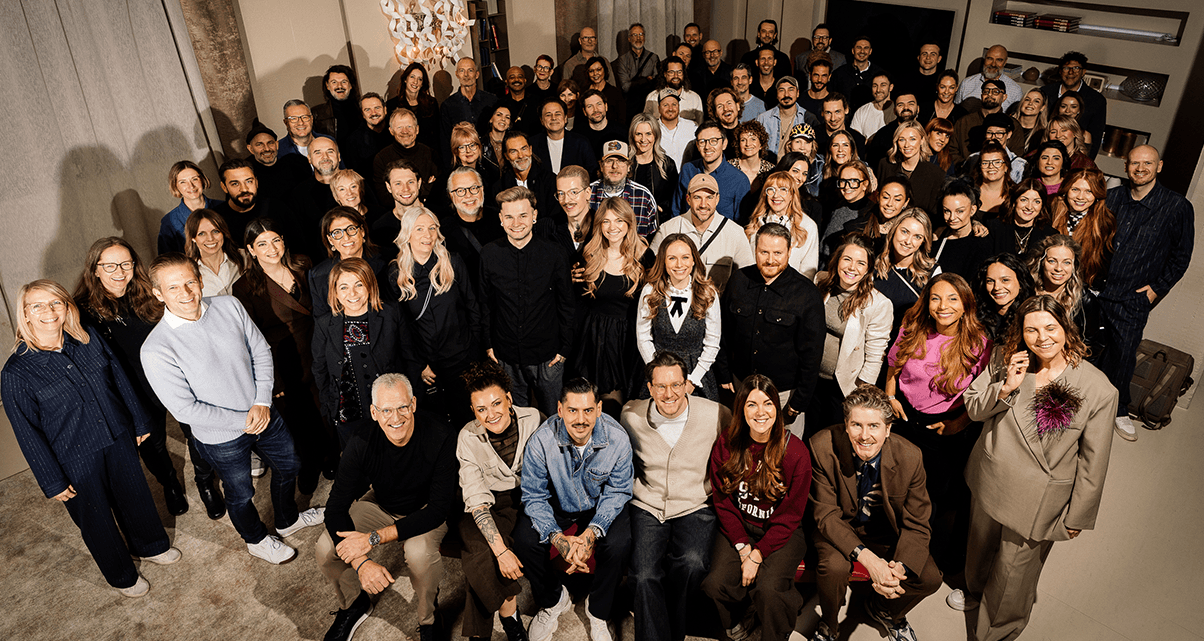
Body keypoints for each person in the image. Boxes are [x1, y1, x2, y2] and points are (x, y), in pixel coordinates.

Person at [141, 253, 324, 564]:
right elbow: (185, 410)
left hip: (263, 412)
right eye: (173, 288)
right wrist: (245, 419)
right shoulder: (156, 348)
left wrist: (262, 402)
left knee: (290, 466)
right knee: (240, 493)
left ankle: (288, 519)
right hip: (221, 436)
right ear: (158, 294)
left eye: (190, 282)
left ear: (200, 280)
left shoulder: (228, 306)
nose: (186, 293)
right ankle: (255, 539)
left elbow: (261, 351)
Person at [4, 280, 182, 597]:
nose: (49, 311)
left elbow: (120, 379)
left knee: (135, 494)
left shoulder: (86, 338)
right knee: (96, 518)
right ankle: (122, 575)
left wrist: (139, 420)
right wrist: (52, 480)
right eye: (37, 306)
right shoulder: (17, 372)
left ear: (66, 306)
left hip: (117, 435)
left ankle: (151, 545)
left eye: (55, 303)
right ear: (25, 314)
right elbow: (26, 431)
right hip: (74, 457)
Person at [954, 295, 1117, 639]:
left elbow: (1094, 460)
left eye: (1050, 328)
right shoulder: (1005, 358)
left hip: (1037, 497)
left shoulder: (1098, 389)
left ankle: (997, 632)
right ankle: (975, 592)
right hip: (991, 477)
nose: (1042, 338)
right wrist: (1006, 386)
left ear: (1066, 328)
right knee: (979, 550)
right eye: (1031, 330)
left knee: (1014, 575)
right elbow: (974, 410)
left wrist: (1078, 514)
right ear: (1021, 331)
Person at [316, 373, 458, 641]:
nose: (396, 418)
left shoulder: (441, 434)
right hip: (382, 504)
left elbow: (438, 510)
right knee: (326, 548)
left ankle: (429, 620)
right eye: (386, 410)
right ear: (374, 412)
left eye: (402, 407)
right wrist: (361, 563)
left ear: (413, 404)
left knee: (418, 555)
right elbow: (334, 509)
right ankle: (354, 604)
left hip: (425, 510)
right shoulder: (360, 441)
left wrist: (372, 539)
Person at [808, 385, 942, 641]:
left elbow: (917, 523)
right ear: (846, 425)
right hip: (840, 527)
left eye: (874, 426)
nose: (864, 436)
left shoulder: (911, 457)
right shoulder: (821, 446)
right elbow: (826, 515)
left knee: (929, 578)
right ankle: (829, 625)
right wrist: (870, 562)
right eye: (856, 425)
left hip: (884, 531)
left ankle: (885, 610)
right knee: (834, 568)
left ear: (888, 429)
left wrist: (897, 570)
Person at [74, 238, 194, 517]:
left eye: (126, 264)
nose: (119, 271)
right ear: (95, 269)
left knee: (194, 429)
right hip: (134, 389)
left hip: (170, 376)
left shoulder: (148, 292)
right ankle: (170, 483)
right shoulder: (83, 311)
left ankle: (204, 479)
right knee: (153, 443)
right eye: (110, 265)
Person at [512, 378, 634, 641]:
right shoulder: (541, 440)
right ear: (560, 410)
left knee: (619, 543)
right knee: (524, 540)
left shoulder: (618, 439)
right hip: (558, 503)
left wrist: (591, 533)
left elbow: (618, 491)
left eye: (588, 410)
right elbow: (534, 495)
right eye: (573, 410)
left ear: (599, 409)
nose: (581, 419)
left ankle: (598, 611)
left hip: (599, 505)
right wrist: (558, 538)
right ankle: (554, 600)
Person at [884, 272, 990, 573]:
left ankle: (910, 560)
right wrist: (890, 397)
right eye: (936, 298)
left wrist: (959, 423)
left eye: (953, 299)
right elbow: (893, 366)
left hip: (941, 428)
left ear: (966, 304)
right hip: (904, 418)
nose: (943, 306)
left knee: (928, 497)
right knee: (895, 486)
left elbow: (983, 394)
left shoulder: (980, 344)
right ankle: (887, 544)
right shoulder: (913, 326)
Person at [620, 351, 730, 641]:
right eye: (660, 386)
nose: (669, 394)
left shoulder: (716, 414)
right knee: (642, 575)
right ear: (649, 387)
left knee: (693, 564)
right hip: (648, 504)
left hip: (695, 503)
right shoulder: (631, 415)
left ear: (686, 384)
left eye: (676, 385)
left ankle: (666, 625)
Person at [701, 374, 811, 641]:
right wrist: (742, 547)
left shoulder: (796, 452)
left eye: (768, 404)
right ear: (741, 409)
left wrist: (757, 556)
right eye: (752, 404)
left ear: (777, 408)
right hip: (740, 525)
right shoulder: (727, 443)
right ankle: (741, 615)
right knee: (715, 584)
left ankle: (776, 630)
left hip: (782, 531)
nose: (761, 412)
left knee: (770, 590)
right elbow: (723, 501)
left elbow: (791, 516)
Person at [1101, 145, 1194, 441]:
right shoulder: (1112, 197)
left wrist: (1156, 290)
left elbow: (1181, 257)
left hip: (1133, 298)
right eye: (1135, 163)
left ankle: (1119, 409)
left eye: (1148, 163)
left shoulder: (1176, 206)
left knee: (1124, 355)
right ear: (1126, 166)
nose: (1140, 168)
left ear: (1159, 166)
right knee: (1091, 350)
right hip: (1099, 290)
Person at [233, 218, 328, 494]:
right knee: (299, 417)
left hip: (318, 348)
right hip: (284, 361)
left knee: (326, 407)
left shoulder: (303, 265)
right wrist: (270, 381)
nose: (271, 248)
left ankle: (331, 455)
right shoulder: (245, 287)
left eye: (276, 240)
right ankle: (309, 465)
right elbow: (251, 339)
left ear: (284, 241)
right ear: (251, 250)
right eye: (262, 244)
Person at [455, 361, 542, 641]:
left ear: (509, 399)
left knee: (480, 558)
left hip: (526, 499)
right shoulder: (467, 437)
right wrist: (502, 551)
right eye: (481, 409)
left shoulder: (534, 419)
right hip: (484, 502)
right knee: (483, 552)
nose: (491, 415)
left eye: (496, 404)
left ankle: (485, 632)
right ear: (473, 411)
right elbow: (476, 500)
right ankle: (510, 619)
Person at [720, 223, 824, 436]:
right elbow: (723, 332)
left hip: (784, 394)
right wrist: (723, 372)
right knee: (742, 443)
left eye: (777, 253)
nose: (770, 259)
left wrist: (800, 400)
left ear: (789, 251)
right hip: (741, 387)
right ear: (755, 250)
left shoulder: (807, 294)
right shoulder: (738, 280)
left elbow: (812, 355)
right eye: (764, 252)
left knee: (784, 449)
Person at [480, 186, 576, 417]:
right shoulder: (489, 254)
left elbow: (567, 304)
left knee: (554, 416)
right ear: (501, 219)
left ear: (534, 216)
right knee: (518, 418)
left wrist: (564, 349)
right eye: (509, 217)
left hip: (548, 356)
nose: (516, 223)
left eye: (523, 215)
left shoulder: (555, 253)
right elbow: (484, 303)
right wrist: (488, 345)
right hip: (506, 355)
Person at [388, 206, 484, 427]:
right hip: (427, 365)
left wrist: (473, 351)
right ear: (407, 234)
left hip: (461, 357)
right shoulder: (396, 274)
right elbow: (401, 327)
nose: (428, 235)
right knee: (437, 422)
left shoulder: (453, 262)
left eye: (432, 228)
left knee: (468, 418)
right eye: (420, 229)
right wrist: (419, 364)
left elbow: (473, 307)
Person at [312, 257, 414, 447]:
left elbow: (410, 358)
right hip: (348, 414)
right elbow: (320, 369)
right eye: (343, 287)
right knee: (360, 460)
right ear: (335, 291)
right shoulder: (324, 324)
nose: (352, 293)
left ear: (370, 285)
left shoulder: (391, 313)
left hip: (391, 411)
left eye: (359, 284)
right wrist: (329, 407)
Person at [572, 197, 652, 413]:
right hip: (595, 339)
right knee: (597, 403)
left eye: (618, 220)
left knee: (627, 405)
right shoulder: (588, 255)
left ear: (629, 223)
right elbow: (576, 300)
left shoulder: (644, 257)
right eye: (606, 221)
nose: (612, 227)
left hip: (630, 340)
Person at [809, 236, 893, 432]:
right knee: (808, 432)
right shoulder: (820, 280)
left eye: (861, 263)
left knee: (834, 435)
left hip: (843, 386)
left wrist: (860, 394)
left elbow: (875, 354)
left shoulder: (878, 304)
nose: (852, 267)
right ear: (837, 259)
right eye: (847, 259)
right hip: (811, 377)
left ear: (868, 269)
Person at [635, 235, 721, 400]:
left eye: (685, 257)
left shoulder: (708, 293)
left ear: (694, 260)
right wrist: (658, 373)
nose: (679, 264)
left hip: (695, 374)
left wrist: (692, 380)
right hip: (657, 369)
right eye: (672, 258)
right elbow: (643, 338)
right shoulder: (650, 291)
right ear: (663, 261)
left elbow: (712, 343)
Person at [310, 207, 390, 319]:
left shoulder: (387, 260)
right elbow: (322, 319)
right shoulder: (318, 275)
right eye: (337, 233)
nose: (346, 237)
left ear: (362, 231)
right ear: (330, 240)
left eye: (351, 229)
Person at [874, 208, 941, 341]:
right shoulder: (875, 266)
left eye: (917, 237)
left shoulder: (932, 272)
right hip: (873, 341)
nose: (908, 241)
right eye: (904, 232)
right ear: (894, 230)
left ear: (923, 241)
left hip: (907, 345)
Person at [1029, 234, 1102, 351]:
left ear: (1074, 266)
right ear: (1041, 262)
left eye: (1066, 262)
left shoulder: (1084, 299)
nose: (1059, 268)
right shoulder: (1027, 293)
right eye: (1052, 261)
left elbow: (1092, 343)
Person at [744, 171, 820, 278]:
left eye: (783, 190)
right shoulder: (756, 222)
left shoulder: (807, 226)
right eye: (771, 190)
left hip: (792, 285)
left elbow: (808, 270)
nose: (776, 195)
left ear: (792, 194)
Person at [1050, 167, 1114, 288]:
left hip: (1083, 286)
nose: (1080, 197)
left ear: (1097, 194)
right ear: (1066, 189)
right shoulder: (1051, 213)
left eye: (1089, 191)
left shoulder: (1105, 223)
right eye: (1075, 189)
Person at [672, 120, 750, 221]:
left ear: (724, 144)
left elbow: (742, 223)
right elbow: (676, 211)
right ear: (697, 145)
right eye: (702, 142)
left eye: (713, 141)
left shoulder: (739, 180)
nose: (707, 147)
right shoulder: (688, 170)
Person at [1040, 52, 1106, 158]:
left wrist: (1087, 163)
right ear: (1060, 71)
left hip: (1075, 156)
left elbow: (1096, 137)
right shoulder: (1045, 92)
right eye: (1066, 68)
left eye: (1076, 68)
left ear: (1083, 72)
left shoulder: (1096, 100)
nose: (1071, 72)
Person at [589, 141, 658, 238]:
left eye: (621, 161)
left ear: (629, 167)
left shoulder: (644, 196)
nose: (615, 166)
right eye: (609, 161)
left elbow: (653, 238)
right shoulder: (587, 193)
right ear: (601, 166)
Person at [373, 108, 440, 206]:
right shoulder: (381, 158)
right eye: (399, 127)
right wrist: (424, 189)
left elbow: (438, 191)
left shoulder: (431, 154)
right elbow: (384, 197)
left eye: (409, 126)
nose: (405, 131)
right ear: (391, 131)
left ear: (417, 129)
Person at [877, 120, 945, 215]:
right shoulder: (885, 165)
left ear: (922, 140)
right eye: (902, 139)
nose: (907, 145)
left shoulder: (936, 174)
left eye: (912, 139)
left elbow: (934, 212)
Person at [933, 180, 993, 281]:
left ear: (972, 210)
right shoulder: (938, 237)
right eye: (947, 211)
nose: (952, 217)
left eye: (959, 211)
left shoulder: (981, 244)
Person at [839, 176, 911, 257]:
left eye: (897, 199)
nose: (890, 204)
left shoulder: (909, 232)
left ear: (906, 202)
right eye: (885, 197)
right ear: (878, 197)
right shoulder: (857, 227)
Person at [159, 161, 219, 254]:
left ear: (202, 180)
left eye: (194, 179)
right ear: (175, 186)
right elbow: (167, 259)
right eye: (183, 182)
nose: (191, 186)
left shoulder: (223, 207)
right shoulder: (169, 222)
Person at [629, 113, 679, 223]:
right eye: (638, 134)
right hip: (630, 223)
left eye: (648, 134)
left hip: (660, 222)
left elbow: (675, 198)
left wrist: (660, 208)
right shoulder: (625, 164)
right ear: (632, 136)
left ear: (655, 135)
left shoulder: (667, 164)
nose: (643, 139)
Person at [987, 178, 1056, 257]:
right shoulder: (993, 228)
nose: (1029, 207)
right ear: (1014, 202)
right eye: (1024, 200)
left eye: (1037, 201)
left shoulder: (1050, 235)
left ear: (1042, 206)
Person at [975, 253, 1036, 341]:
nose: (996, 287)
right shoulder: (976, 317)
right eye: (990, 281)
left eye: (1005, 280)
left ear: (1020, 283)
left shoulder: (1031, 316)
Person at [184, 208, 244, 297]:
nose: (210, 238)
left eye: (215, 231)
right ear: (193, 238)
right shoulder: (188, 271)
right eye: (202, 234)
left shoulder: (245, 257)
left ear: (223, 233)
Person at [948, 78, 1006, 169]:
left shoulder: (1011, 124)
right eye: (986, 91)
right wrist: (967, 165)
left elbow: (1015, 154)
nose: (989, 94)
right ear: (981, 95)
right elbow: (951, 149)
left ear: (1004, 97)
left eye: (995, 92)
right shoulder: (964, 121)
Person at [386, 62, 442, 155]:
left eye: (419, 79)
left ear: (422, 83)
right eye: (412, 77)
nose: (415, 82)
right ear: (405, 79)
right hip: (403, 153)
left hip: (427, 153)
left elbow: (437, 133)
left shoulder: (431, 103)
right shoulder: (392, 104)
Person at [821, 161, 873, 260]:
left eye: (853, 181)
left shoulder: (871, 213)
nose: (846, 186)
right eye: (843, 181)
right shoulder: (836, 207)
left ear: (865, 184)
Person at [532, 98, 597, 176]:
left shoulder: (581, 142)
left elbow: (592, 172)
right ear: (541, 120)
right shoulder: (533, 144)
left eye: (558, 114)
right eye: (548, 115)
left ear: (565, 118)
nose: (553, 118)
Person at [442, 57, 498, 147]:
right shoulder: (448, 105)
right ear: (457, 74)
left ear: (477, 74)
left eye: (470, 70)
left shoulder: (491, 100)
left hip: (488, 152)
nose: (466, 75)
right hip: (462, 154)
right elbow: (445, 140)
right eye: (462, 71)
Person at [954, 45, 1022, 111]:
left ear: (1005, 62)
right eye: (989, 59)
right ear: (985, 59)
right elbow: (955, 111)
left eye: (999, 60)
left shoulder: (1015, 91)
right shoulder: (967, 84)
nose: (993, 64)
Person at [643, 57, 704, 126]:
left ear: (683, 74)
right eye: (671, 72)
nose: (676, 76)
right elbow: (646, 125)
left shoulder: (694, 98)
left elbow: (700, 126)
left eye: (679, 72)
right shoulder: (652, 97)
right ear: (665, 74)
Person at [312, 64, 361, 148]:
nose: (339, 86)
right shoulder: (316, 114)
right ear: (327, 85)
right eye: (334, 82)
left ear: (350, 85)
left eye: (344, 82)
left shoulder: (362, 109)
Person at [830, 37, 884, 110]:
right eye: (859, 47)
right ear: (853, 50)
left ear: (870, 51)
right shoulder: (839, 73)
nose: (862, 51)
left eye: (866, 48)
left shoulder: (879, 74)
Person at [449, 122, 500, 199]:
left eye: (472, 145)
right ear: (456, 151)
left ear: (479, 147)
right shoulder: (451, 178)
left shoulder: (490, 173)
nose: (468, 150)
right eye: (462, 147)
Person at [970, 140, 1016, 216]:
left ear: (1006, 167)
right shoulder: (969, 192)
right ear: (980, 168)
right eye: (985, 163)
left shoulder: (1016, 193)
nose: (991, 166)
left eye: (997, 162)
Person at [655, 88, 697, 169]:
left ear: (679, 106)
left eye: (674, 104)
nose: (670, 108)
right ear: (659, 108)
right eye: (665, 105)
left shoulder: (692, 127)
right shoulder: (652, 128)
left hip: (688, 174)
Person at [615, 23, 661, 97]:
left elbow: (657, 84)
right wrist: (646, 80)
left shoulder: (653, 57)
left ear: (644, 38)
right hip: (631, 102)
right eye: (635, 35)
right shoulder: (622, 60)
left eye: (641, 34)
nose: (638, 38)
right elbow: (625, 87)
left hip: (649, 100)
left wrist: (633, 84)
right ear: (629, 39)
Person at [579, 90, 627, 161]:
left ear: (606, 106)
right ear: (584, 111)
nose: (595, 110)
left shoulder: (622, 131)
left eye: (599, 104)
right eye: (590, 106)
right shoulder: (578, 135)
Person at [849, 71, 893, 141]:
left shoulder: (897, 110)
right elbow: (855, 140)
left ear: (891, 87)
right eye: (875, 86)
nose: (878, 90)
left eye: (883, 85)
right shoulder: (862, 111)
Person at [730, 119, 773, 190]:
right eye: (743, 140)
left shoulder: (770, 170)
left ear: (761, 144)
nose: (748, 144)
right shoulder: (729, 167)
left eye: (753, 139)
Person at [1012, 89, 1048, 156]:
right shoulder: (1008, 124)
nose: (1030, 103)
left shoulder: (1043, 134)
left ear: (1042, 107)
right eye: (1027, 99)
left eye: (1036, 101)